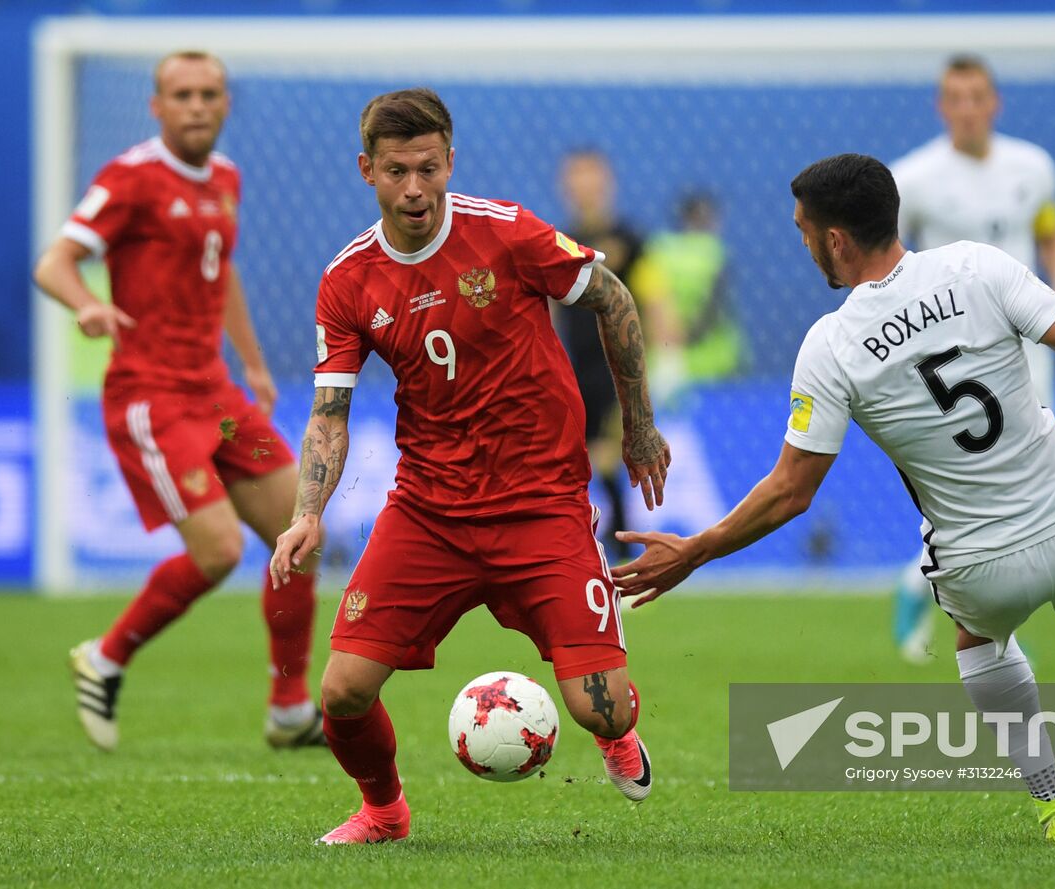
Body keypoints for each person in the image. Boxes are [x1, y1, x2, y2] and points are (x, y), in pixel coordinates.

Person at [615, 154, 1055, 849]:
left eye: (804, 230)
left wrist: (698, 549)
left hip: (978, 559)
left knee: (976, 640)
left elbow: (790, 492)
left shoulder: (830, 345)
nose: (803, 244)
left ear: (835, 239)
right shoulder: (977, 267)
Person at [269, 88, 670, 845]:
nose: (414, 188)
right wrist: (307, 513)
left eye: (428, 168)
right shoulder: (348, 280)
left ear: (451, 161)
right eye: (395, 172)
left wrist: (640, 427)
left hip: (542, 503)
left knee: (600, 706)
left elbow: (612, 297)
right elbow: (329, 414)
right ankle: (384, 812)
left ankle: (617, 734)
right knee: (343, 691)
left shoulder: (508, 233)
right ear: (367, 171)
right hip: (430, 511)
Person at [33, 51, 323, 752]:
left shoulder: (225, 178)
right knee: (220, 549)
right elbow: (55, 262)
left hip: (215, 390)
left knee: (299, 531)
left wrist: (252, 363)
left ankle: (288, 708)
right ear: (157, 106)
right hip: (150, 395)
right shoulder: (130, 178)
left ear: (226, 104)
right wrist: (89, 306)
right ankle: (105, 656)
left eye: (209, 94)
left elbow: (221, 274)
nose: (197, 105)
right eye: (182, 94)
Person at [886, 53, 1055, 663]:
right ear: (941, 107)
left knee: (1029, 480)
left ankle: (927, 585)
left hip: (1029, 347)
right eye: (955, 98)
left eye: (977, 97)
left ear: (994, 102)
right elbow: (889, 257)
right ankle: (944, 590)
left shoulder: (1033, 167)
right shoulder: (912, 178)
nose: (967, 109)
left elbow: (1051, 237)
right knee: (976, 487)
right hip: (958, 365)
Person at [555, 148, 646, 561]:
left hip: (617, 371)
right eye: (576, 176)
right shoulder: (560, 242)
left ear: (607, 181)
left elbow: (655, 298)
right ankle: (594, 551)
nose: (584, 185)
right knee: (582, 460)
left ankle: (624, 553)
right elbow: (552, 308)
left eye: (591, 175)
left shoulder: (631, 241)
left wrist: (669, 352)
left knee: (607, 456)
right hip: (572, 371)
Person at [631, 191, 746, 400]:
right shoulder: (715, 252)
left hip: (662, 359)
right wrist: (687, 336)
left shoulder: (657, 248)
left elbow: (647, 300)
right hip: (714, 363)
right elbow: (713, 310)